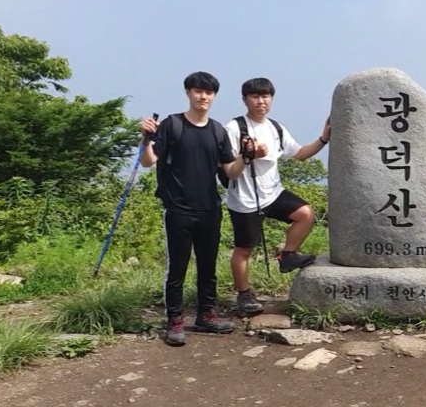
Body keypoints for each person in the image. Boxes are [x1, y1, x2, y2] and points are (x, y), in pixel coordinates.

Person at [139, 71, 240, 346]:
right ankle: (174, 320)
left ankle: (206, 315)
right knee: (177, 268)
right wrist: (145, 138)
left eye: (208, 92)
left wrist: (247, 157)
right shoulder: (172, 125)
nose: (203, 96)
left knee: (208, 267)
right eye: (198, 91)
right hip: (178, 209)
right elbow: (148, 161)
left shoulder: (218, 131)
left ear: (214, 96)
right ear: (188, 92)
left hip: (210, 208)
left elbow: (230, 171)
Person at [224, 77, 331, 315]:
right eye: (255, 96)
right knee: (244, 250)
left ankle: (288, 255)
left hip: (273, 193)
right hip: (244, 198)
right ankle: (244, 295)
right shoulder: (234, 128)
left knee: (305, 214)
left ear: (271, 99)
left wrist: (323, 139)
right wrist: (249, 155)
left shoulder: (275, 128)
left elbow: (300, 153)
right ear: (245, 100)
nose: (260, 101)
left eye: (265, 96)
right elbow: (229, 169)